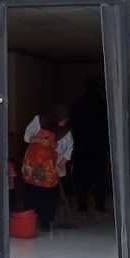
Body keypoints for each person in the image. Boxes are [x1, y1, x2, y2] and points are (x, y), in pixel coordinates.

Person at [22, 106, 73, 230]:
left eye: (65, 121)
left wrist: (60, 165)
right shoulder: (40, 121)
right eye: (62, 120)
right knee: (33, 193)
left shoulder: (66, 131)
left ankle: (46, 222)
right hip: (35, 166)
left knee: (49, 196)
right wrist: (39, 140)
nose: (63, 123)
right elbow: (27, 136)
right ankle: (30, 221)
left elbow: (69, 150)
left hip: (53, 168)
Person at [70, 83, 110, 217]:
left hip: (82, 147)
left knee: (82, 179)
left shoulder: (78, 106)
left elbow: (73, 123)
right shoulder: (103, 107)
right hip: (100, 148)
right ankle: (100, 207)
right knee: (100, 178)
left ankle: (83, 207)